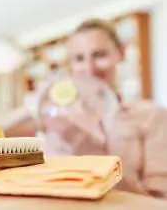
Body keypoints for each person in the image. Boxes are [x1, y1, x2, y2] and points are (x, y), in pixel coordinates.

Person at [34, 18, 167, 198]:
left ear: (121, 53)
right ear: (70, 65)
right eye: (79, 58)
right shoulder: (56, 118)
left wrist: (91, 154)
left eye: (99, 55)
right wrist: (34, 104)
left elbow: (159, 202)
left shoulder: (152, 116)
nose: (89, 69)